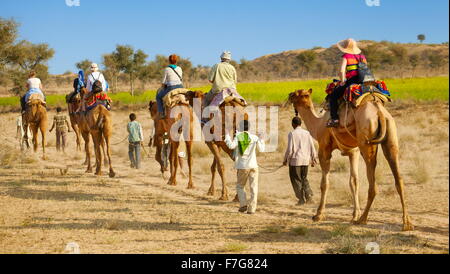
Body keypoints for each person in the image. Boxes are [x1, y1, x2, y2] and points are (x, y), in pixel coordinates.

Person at [225, 120, 265, 214]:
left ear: (240, 127)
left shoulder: (239, 137)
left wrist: (227, 135)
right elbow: (262, 149)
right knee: (254, 188)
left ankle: (243, 204)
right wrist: (261, 139)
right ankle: (252, 209)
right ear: (249, 128)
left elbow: (231, 146)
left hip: (242, 166)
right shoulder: (254, 137)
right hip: (253, 166)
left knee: (240, 186)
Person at [327, 38, 368, 128]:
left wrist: (342, 81)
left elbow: (341, 71)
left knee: (333, 96)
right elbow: (366, 70)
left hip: (352, 81)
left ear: (345, 47)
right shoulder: (363, 57)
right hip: (364, 82)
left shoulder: (346, 56)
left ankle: (335, 119)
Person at [283, 117, 317, 205]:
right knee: (304, 178)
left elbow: (290, 149)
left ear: (293, 124)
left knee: (296, 180)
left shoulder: (292, 133)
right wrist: (313, 158)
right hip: (306, 160)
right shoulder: (307, 133)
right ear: (300, 123)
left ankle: (301, 199)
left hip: (295, 161)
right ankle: (309, 196)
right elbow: (312, 146)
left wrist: (285, 159)